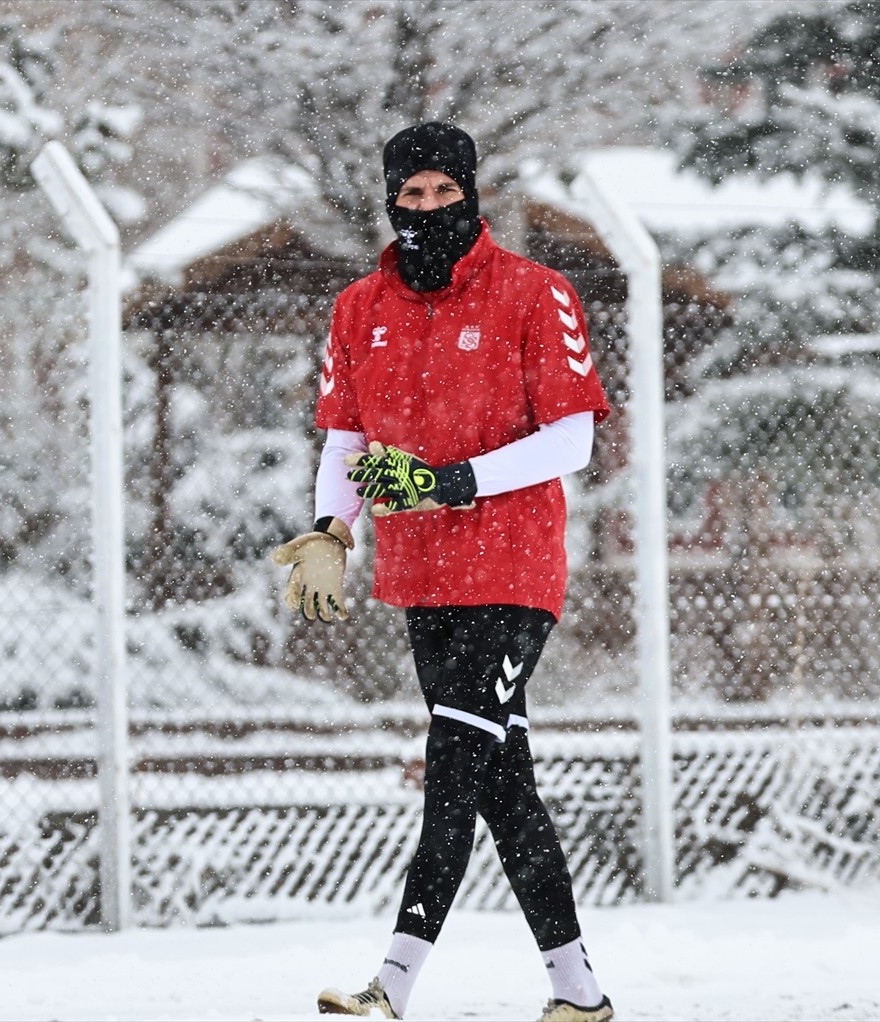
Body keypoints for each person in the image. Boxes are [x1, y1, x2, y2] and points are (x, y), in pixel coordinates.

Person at [272, 122, 614, 1022]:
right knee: (505, 790)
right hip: (421, 577)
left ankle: (390, 985)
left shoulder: (537, 294)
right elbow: (346, 438)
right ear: (391, 199)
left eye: (443, 193)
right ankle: (579, 997)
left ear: (471, 192)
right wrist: (329, 531)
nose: (426, 209)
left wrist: (449, 481)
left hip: (513, 575)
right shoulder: (359, 308)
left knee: (451, 766)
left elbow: (572, 438)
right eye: (411, 195)